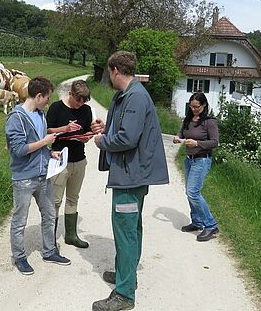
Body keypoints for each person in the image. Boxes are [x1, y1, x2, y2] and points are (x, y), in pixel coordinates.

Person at [91, 51, 169, 311]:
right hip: (132, 174)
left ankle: (124, 294)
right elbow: (124, 128)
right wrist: (106, 127)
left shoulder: (135, 97)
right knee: (131, 229)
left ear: (114, 70)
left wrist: (103, 141)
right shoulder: (128, 95)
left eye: (108, 72)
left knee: (125, 231)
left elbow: (128, 138)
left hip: (130, 176)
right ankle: (127, 275)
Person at [5, 76, 71, 275]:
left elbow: (40, 144)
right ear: (38, 95)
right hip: (24, 178)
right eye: (47, 98)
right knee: (20, 220)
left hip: (43, 175)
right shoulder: (16, 118)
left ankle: (49, 251)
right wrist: (45, 142)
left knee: (50, 215)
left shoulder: (40, 115)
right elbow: (18, 150)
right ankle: (19, 257)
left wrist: (50, 152)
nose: (49, 102)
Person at [46, 80, 93, 248]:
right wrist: (65, 129)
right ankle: (49, 238)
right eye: (78, 99)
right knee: (55, 200)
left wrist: (87, 136)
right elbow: (47, 130)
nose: (81, 104)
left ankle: (71, 235)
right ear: (70, 94)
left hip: (79, 159)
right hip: (59, 160)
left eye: (84, 100)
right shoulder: (56, 108)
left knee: (73, 198)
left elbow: (87, 131)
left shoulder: (86, 110)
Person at [173, 92, 219, 242]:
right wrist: (177, 137)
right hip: (189, 160)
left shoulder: (209, 122)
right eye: (191, 106)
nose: (194, 109)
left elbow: (214, 142)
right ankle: (197, 222)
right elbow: (182, 131)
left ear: (204, 105)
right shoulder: (188, 118)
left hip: (202, 159)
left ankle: (211, 225)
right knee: (189, 192)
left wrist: (197, 143)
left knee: (193, 192)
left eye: (197, 107)